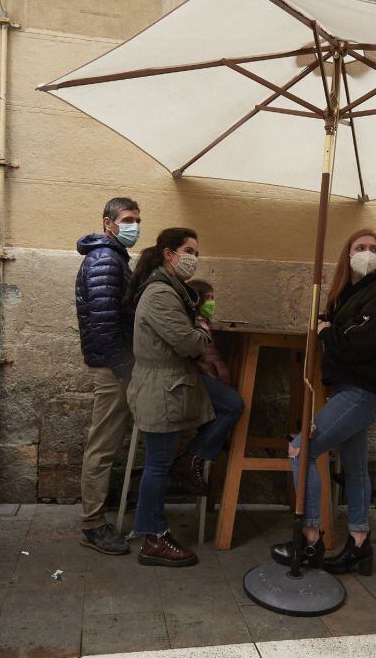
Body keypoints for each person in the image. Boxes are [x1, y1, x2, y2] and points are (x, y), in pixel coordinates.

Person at [270, 229, 376, 576]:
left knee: (300, 450)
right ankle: (359, 543)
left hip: (363, 391)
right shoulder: (350, 294)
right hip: (355, 390)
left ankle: (310, 539)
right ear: (347, 255)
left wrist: (327, 331)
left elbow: (360, 343)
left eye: (373, 248)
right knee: (354, 468)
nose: (367, 253)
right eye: (360, 247)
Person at [126, 228, 234, 566]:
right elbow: (188, 343)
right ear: (168, 254)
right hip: (162, 386)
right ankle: (153, 539)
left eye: (197, 253)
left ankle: (190, 461)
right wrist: (202, 327)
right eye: (189, 251)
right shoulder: (160, 294)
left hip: (178, 380)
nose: (194, 259)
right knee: (157, 463)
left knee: (231, 404)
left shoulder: (174, 289)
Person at [75, 197, 141, 555]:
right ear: (108, 223)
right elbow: (103, 324)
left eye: (137, 220)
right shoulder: (105, 259)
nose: (134, 226)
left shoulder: (113, 257)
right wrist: (124, 368)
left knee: (105, 444)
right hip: (112, 368)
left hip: (113, 365)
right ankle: (92, 526)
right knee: (102, 447)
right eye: (128, 219)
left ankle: (95, 519)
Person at [182, 278, 245, 483]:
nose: (211, 302)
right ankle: (195, 456)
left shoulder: (204, 323)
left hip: (206, 377)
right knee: (233, 404)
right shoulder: (191, 323)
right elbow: (201, 358)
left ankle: (199, 456)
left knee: (225, 406)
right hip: (196, 377)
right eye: (207, 298)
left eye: (213, 298)